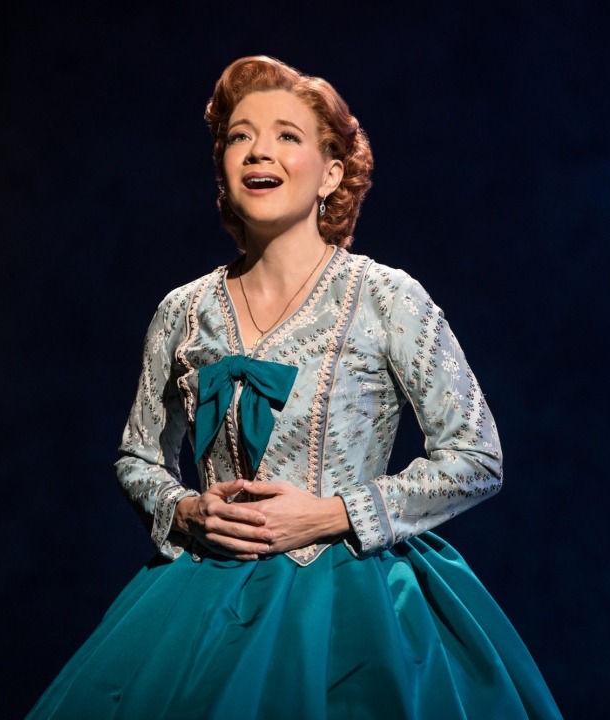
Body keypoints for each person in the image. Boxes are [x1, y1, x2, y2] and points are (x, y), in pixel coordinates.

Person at [29, 55, 561, 719]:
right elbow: (139, 455)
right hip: (205, 604)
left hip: (355, 607)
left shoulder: (386, 298)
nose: (259, 150)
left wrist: (329, 514)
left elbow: (476, 457)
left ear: (331, 173)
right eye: (239, 135)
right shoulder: (183, 311)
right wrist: (185, 510)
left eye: (287, 135)